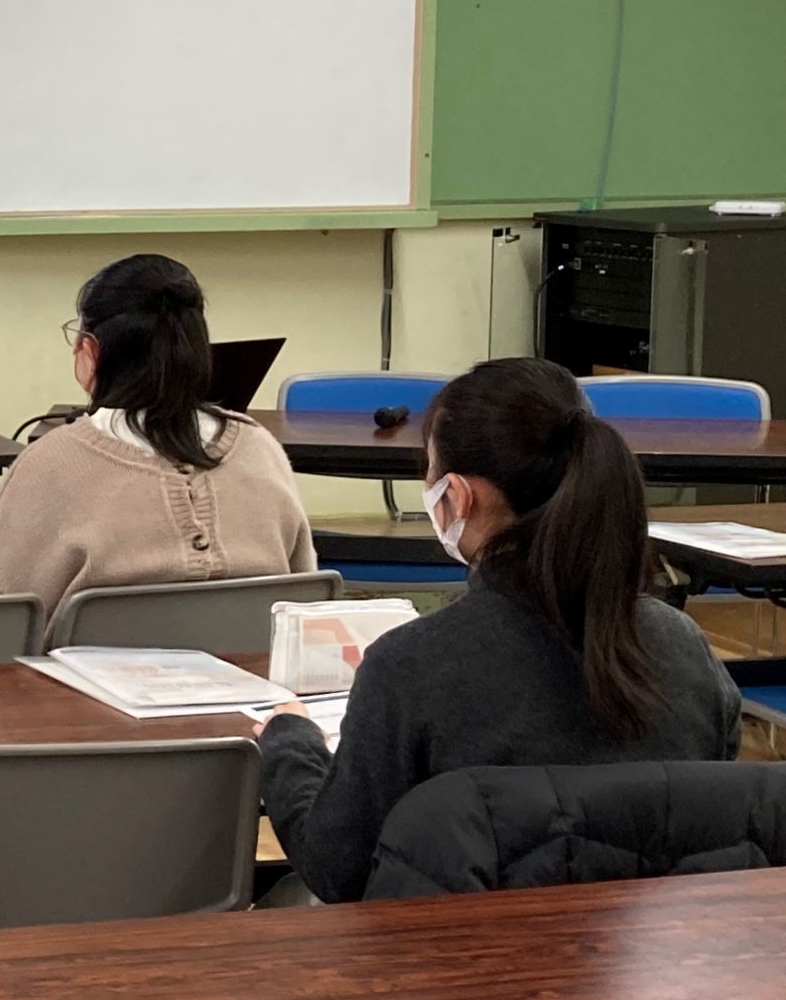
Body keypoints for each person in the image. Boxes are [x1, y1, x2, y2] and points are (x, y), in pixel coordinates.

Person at [262, 356, 741, 901]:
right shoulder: (683, 646)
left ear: (458, 496)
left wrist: (289, 739)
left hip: (463, 951)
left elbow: (337, 870)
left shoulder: (412, 666)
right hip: (654, 949)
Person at [0, 253, 313, 621]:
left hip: (84, 662)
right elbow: (304, 602)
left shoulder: (51, 464)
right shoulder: (261, 450)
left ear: (90, 348)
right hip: (256, 658)